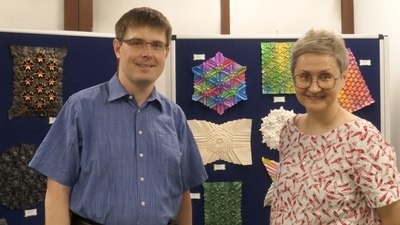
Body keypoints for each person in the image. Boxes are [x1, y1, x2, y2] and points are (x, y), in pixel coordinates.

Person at [29, 7, 207, 225]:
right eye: (137, 42)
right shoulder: (81, 108)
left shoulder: (175, 117)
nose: (147, 53)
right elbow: (57, 190)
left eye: (157, 45)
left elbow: (183, 193)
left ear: (166, 53)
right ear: (118, 48)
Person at [270, 28, 400, 225]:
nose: (314, 87)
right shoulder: (289, 131)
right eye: (304, 76)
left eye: (325, 77)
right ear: (293, 78)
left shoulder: (363, 138)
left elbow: (393, 216)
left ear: (343, 79)